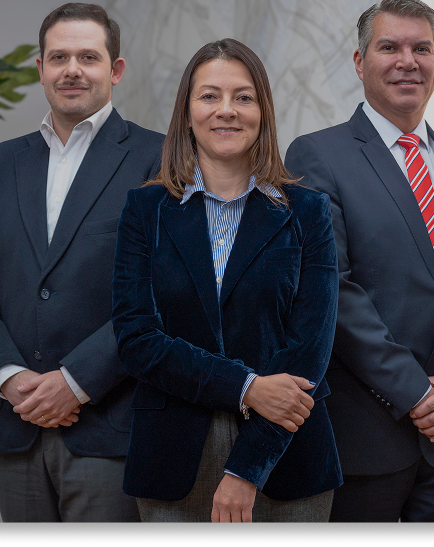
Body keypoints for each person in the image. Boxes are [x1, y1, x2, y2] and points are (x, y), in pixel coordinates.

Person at [111, 38, 342, 523]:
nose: (227, 110)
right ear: (187, 111)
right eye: (209, 96)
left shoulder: (308, 211)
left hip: (285, 456)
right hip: (173, 457)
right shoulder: (145, 209)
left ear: (262, 111)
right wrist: (246, 386)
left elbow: (310, 351)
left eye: (243, 97)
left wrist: (245, 470)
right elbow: (137, 339)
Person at [0, 3, 164, 523]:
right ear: (41, 68)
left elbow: (161, 293)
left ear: (116, 69)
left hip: (108, 428)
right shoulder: (2, 162)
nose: (72, 70)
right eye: (59, 57)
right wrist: (9, 377)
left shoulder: (158, 158)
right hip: (14, 424)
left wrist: (73, 382)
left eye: (88, 57)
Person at [285, 0, 434, 523]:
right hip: (365, 440)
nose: (407, 61)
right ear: (359, 62)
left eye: (422, 49)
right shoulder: (315, 155)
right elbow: (332, 288)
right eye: (389, 47)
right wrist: (416, 393)